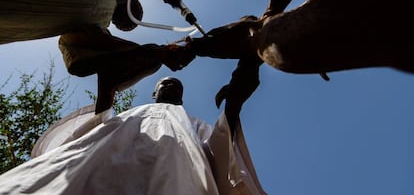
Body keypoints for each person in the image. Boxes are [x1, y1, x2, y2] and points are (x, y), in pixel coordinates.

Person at [0, 0, 191, 114]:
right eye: (132, 15)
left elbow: (90, 66)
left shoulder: (93, 26)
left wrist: (159, 54)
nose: (127, 22)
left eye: (128, 24)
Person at [0, 77, 266, 194]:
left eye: (176, 85)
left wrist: (234, 104)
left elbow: (220, 154)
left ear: (182, 97)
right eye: (165, 83)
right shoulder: (130, 115)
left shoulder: (193, 125)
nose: (171, 85)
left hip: (175, 176)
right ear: (154, 93)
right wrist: (107, 88)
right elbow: (92, 133)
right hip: (99, 166)